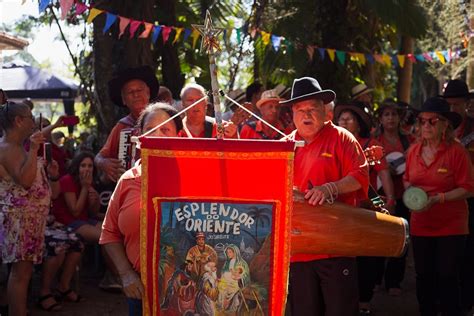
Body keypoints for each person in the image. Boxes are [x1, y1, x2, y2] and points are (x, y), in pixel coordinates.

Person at [282, 77, 369, 316]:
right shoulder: (284, 146)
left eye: (312, 108)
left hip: (336, 245)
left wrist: (330, 188)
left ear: (325, 110)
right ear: (292, 113)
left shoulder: (342, 137)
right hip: (298, 248)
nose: (306, 114)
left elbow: (360, 176)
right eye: (300, 109)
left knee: (341, 310)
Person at [100, 102, 183, 316]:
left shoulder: (194, 177)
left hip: (187, 291)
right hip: (141, 291)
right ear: (139, 138)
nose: (158, 136)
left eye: (165, 130)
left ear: (179, 136)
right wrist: (126, 274)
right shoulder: (128, 180)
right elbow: (109, 233)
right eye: (150, 130)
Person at [404, 97, 474, 316]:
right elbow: (407, 179)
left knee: (447, 276)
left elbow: (469, 188)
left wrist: (438, 198)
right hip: (421, 223)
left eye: (433, 121)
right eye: (422, 120)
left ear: (445, 124)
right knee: (424, 276)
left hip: (451, 225)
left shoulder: (456, 152)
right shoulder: (413, 151)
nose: (426, 125)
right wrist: (412, 195)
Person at [0, 101, 60, 316]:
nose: (33, 122)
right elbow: (25, 181)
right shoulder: (8, 148)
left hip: (26, 220)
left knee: (21, 273)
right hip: (20, 221)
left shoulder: (15, 146)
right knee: (20, 273)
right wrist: (34, 149)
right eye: (29, 117)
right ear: (18, 121)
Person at [334, 102, 394, 314]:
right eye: (341, 119)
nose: (344, 122)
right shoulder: (333, 143)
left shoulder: (369, 144)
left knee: (365, 256)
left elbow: (374, 179)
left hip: (364, 208)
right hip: (334, 213)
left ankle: (364, 301)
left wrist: (387, 201)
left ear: (358, 125)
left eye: (349, 119)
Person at [440, 79, 474, 312]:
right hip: (444, 199)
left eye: (457, 105)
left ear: (466, 104)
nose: (453, 109)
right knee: (448, 257)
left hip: (471, 197)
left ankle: (467, 303)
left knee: (470, 254)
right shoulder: (440, 129)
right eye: (449, 105)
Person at [373, 99, 413, 296]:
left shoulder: (409, 140)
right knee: (379, 236)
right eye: (386, 115)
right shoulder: (374, 140)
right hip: (378, 197)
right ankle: (375, 277)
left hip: (404, 196)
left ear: (399, 118)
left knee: (401, 237)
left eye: (394, 115)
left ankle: (394, 280)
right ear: (380, 119)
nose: (390, 118)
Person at [95, 66, 159, 183]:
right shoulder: (122, 126)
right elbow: (99, 157)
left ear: (148, 93)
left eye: (139, 90)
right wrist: (104, 163)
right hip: (132, 187)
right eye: (130, 92)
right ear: (124, 100)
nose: (135, 95)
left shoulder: (163, 120)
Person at [52, 151, 102, 243]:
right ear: (77, 167)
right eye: (83, 166)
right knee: (104, 237)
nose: (87, 169)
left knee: (112, 234)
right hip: (68, 222)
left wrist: (96, 200)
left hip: (84, 220)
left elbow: (93, 213)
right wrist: (85, 188)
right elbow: (75, 211)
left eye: (90, 166)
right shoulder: (68, 180)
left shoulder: (89, 181)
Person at [217, 244, 250, 313]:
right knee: (222, 288)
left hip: (236, 283)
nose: (228, 254)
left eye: (230, 252)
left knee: (230, 290)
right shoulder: (227, 262)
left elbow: (245, 275)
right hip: (226, 281)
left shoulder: (242, 263)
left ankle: (229, 308)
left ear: (235, 252)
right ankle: (222, 307)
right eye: (227, 252)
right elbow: (223, 272)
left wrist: (238, 277)